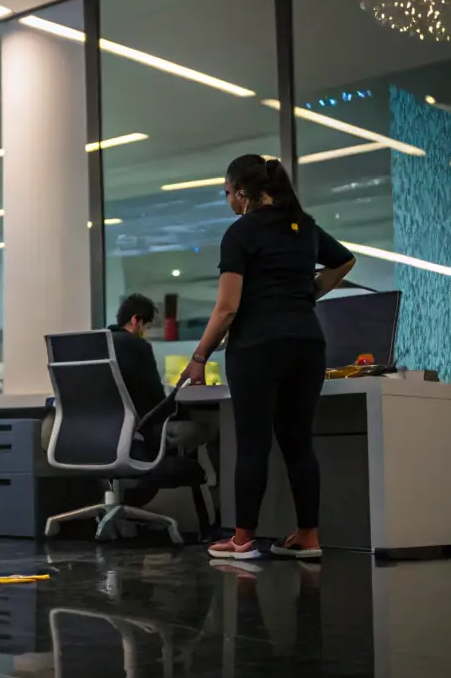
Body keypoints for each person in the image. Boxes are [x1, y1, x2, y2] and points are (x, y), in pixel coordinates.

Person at [181, 155, 354, 561]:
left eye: (227, 192)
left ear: (243, 193)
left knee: (253, 444)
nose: (227, 200)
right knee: (299, 443)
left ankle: (243, 540)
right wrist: (308, 293)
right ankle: (308, 536)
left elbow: (227, 308)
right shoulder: (304, 226)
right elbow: (345, 260)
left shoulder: (240, 233)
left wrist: (199, 356)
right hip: (307, 343)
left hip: (257, 346)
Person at [109, 293, 166, 420]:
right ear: (136, 320)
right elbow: (156, 396)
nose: (146, 332)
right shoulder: (139, 345)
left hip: (102, 423)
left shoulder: (100, 342)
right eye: (147, 326)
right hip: (140, 423)